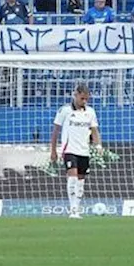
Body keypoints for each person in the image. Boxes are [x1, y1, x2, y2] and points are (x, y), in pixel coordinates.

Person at [49, 84, 102, 219]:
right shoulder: (65, 111)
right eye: (82, 98)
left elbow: (94, 131)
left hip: (84, 151)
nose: (84, 101)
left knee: (80, 181)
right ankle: (73, 210)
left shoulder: (90, 112)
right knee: (72, 178)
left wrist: (98, 146)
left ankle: (77, 209)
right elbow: (55, 131)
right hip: (69, 150)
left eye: (86, 99)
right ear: (76, 95)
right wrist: (53, 151)